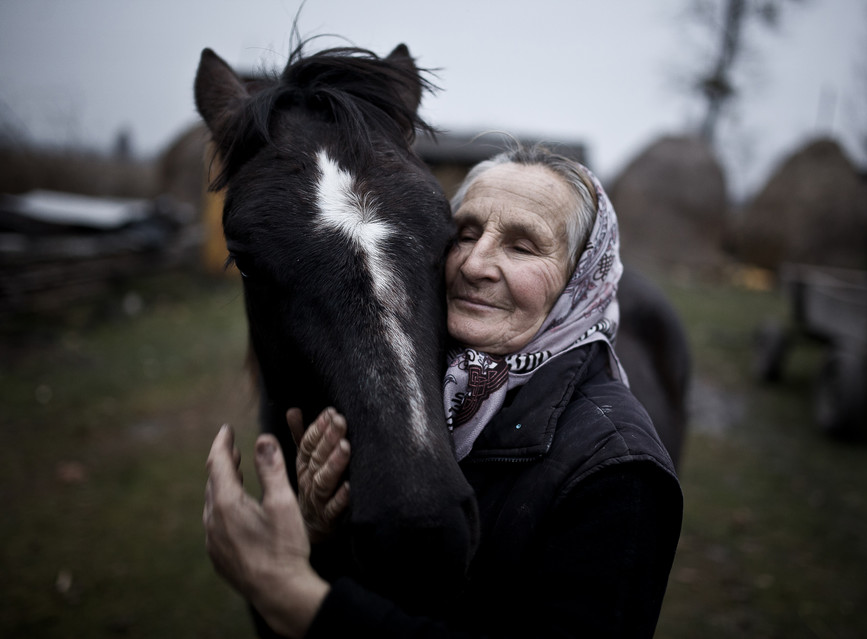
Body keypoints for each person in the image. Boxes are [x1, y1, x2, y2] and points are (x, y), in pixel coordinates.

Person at [203, 145, 683, 638]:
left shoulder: (620, 472)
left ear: (583, 281)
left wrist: (296, 600)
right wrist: (325, 537)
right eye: (466, 233)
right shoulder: (405, 390)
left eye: (521, 247)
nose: (475, 264)